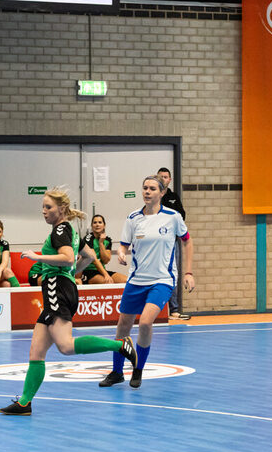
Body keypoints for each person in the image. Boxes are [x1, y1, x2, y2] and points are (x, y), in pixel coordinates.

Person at [0, 187, 136, 415]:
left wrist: (38, 257)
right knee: (36, 352)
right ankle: (24, 403)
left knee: (66, 346)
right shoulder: (70, 231)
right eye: (43, 207)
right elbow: (89, 256)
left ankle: (120, 345)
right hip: (62, 288)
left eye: (48, 207)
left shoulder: (60, 230)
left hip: (57, 289)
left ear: (61, 209)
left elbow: (68, 258)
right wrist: (72, 273)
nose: (44, 211)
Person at [100, 175, 194, 389]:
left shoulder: (173, 217)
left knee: (144, 322)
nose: (147, 192)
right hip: (136, 280)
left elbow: (187, 242)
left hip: (162, 280)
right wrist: (121, 253)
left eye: (152, 188)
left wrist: (188, 272)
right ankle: (116, 372)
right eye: (145, 188)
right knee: (123, 326)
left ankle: (138, 369)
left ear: (162, 192)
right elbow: (124, 245)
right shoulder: (133, 218)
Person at [157, 166, 190, 320]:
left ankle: (174, 308)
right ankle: (159, 309)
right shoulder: (154, 196)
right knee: (157, 273)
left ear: (169, 180)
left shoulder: (174, 197)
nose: (163, 179)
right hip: (156, 242)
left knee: (172, 273)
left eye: (165, 177)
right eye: (160, 177)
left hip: (171, 241)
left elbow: (181, 215)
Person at [80, 213, 123, 284]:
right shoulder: (88, 238)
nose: (97, 225)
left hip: (101, 271)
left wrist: (101, 243)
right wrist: (106, 275)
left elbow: (105, 260)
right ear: (92, 225)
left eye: (100, 222)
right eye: (95, 223)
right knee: (106, 282)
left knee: (125, 281)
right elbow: (94, 259)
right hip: (88, 271)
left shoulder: (107, 240)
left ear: (104, 225)